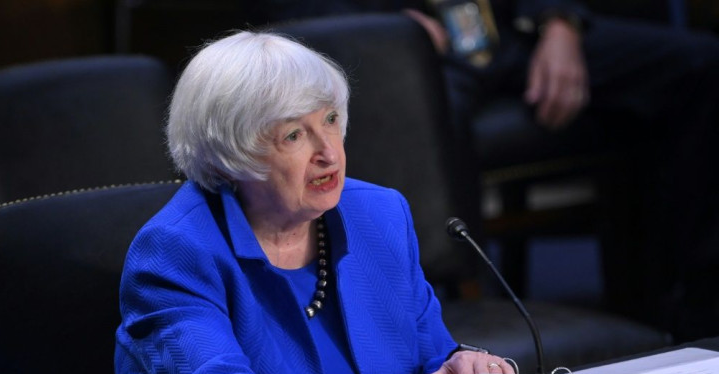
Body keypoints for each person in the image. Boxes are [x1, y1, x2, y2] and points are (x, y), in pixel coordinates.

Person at [95, 30, 515, 374]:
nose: (329, 153)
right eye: (294, 135)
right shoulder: (174, 250)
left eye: (330, 120)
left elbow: (427, 352)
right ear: (229, 155)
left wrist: (458, 364)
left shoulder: (379, 215)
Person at [252, 0, 719, 342]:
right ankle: (460, 316)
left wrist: (560, 22)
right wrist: (383, 26)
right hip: (408, 36)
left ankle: (698, 309)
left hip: (510, 27)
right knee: (424, 113)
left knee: (701, 65)